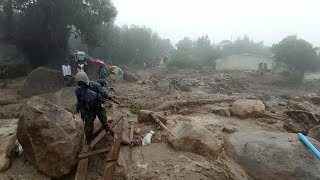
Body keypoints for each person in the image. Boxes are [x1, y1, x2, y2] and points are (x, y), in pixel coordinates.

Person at [74, 72, 120, 147]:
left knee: (105, 124)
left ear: (86, 80)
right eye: (80, 83)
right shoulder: (78, 90)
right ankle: (88, 143)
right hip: (88, 110)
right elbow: (79, 102)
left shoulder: (95, 85)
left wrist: (113, 99)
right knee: (88, 128)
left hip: (99, 107)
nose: (82, 85)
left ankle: (115, 137)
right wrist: (78, 111)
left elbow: (104, 94)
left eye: (83, 83)